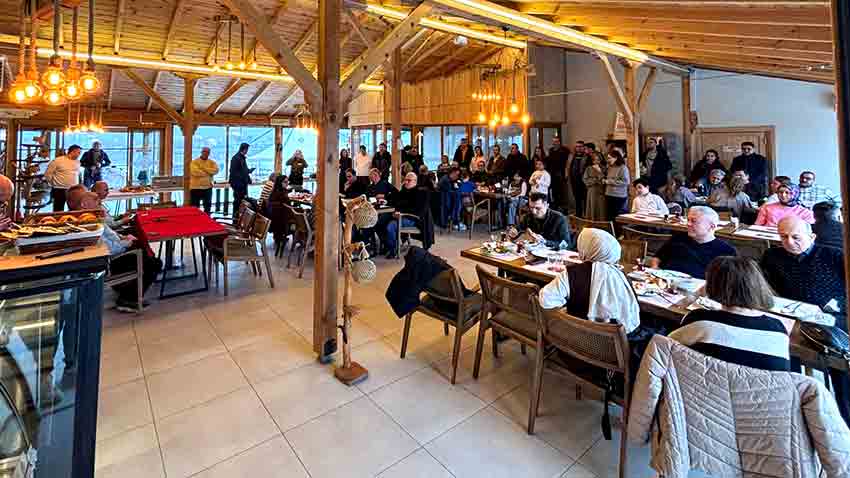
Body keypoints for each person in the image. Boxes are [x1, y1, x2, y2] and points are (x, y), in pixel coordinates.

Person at [761, 216, 849, 422]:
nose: (789, 242)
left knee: (839, 363)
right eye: (783, 237)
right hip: (793, 317)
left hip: (832, 319)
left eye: (796, 237)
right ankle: (795, 408)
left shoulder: (834, 256)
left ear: (812, 237)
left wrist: (838, 305)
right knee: (781, 351)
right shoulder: (772, 256)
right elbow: (765, 285)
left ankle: (845, 418)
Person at [669, 257, 790, 371]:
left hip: (697, 384)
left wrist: (695, 295)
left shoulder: (699, 319)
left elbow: (665, 346)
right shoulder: (778, 329)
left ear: (712, 286)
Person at [68, 186, 162, 312]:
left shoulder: (88, 217)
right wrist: (126, 243)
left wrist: (122, 237)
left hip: (112, 253)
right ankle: (128, 299)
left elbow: (110, 234)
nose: (98, 200)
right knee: (154, 263)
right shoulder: (89, 223)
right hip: (110, 260)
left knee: (141, 246)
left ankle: (128, 287)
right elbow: (108, 248)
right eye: (93, 198)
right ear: (84, 204)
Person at [539, 228, 640, 334]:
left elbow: (546, 299)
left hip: (579, 337)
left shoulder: (572, 274)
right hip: (615, 341)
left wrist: (566, 309)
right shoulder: (622, 277)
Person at [648, 206, 737, 279]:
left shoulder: (726, 252)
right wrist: (655, 271)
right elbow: (657, 258)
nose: (688, 224)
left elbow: (724, 283)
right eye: (688, 220)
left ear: (711, 227)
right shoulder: (678, 238)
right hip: (663, 282)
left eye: (693, 221)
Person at [382, 172, 428, 258]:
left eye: (409, 180)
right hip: (399, 216)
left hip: (412, 219)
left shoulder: (420, 193)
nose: (406, 182)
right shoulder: (404, 190)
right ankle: (386, 245)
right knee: (381, 221)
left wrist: (401, 213)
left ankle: (393, 250)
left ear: (415, 181)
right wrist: (386, 201)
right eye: (405, 180)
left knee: (391, 226)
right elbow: (395, 200)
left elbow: (418, 210)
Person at [45, 144, 82, 212]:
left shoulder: (77, 162)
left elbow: (78, 174)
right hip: (59, 190)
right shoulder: (57, 161)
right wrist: (53, 184)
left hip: (73, 190)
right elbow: (48, 174)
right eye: (78, 152)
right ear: (73, 151)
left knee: (74, 209)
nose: (79, 155)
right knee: (58, 210)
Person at [189, 146, 219, 213]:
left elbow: (216, 170)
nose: (206, 153)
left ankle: (207, 219)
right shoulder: (194, 162)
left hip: (208, 187)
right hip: (196, 188)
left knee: (207, 207)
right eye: (204, 151)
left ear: (209, 153)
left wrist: (203, 168)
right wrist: (209, 173)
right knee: (195, 208)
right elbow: (195, 172)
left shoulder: (212, 162)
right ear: (201, 152)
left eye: (207, 152)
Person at [602, 149, 630, 222]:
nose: (608, 160)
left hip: (619, 196)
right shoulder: (609, 167)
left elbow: (626, 182)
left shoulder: (623, 168)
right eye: (607, 158)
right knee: (609, 216)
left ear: (616, 158)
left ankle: (617, 229)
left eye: (609, 158)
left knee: (617, 217)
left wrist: (609, 181)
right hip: (609, 194)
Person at [229, 142, 253, 218]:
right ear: (244, 149)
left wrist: (248, 171)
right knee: (238, 201)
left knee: (241, 201)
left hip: (241, 183)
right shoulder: (237, 158)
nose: (247, 151)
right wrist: (247, 172)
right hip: (239, 184)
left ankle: (238, 218)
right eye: (247, 149)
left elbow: (242, 170)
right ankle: (236, 218)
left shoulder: (240, 158)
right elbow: (233, 171)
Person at [582, 152, 607, 221]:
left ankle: (601, 223)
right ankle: (592, 223)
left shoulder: (604, 168)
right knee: (592, 207)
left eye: (598, 160)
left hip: (601, 191)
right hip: (592, 191)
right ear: (592, 160)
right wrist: (596, 180)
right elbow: (585, 180)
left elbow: (605, 179)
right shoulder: (588, 168)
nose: (596, 162)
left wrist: (599, 172)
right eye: (595, 160)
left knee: (601, 208)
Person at [547, 137, 570, 210]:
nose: (555, 143)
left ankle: (563, 208)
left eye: (556, 141)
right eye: (553, 142)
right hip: (553, 174)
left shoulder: (565, 150)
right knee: (554, 192)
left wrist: (566, 172)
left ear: (559, 142)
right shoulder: (551, 150)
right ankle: (556, 207)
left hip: (561, 174)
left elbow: (568, 162)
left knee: (562, 192)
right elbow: (549, 162)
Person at [568, 141, 588, 217]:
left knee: (585, 199)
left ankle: (586, 214)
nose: (578, 148)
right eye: (577, 146)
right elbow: (568, 166)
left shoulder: (586, 157)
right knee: (577, 198)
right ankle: (578, 214)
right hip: (574, 181)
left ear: (583, 147)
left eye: (580, 146)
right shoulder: (572, 156)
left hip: (584, 181)